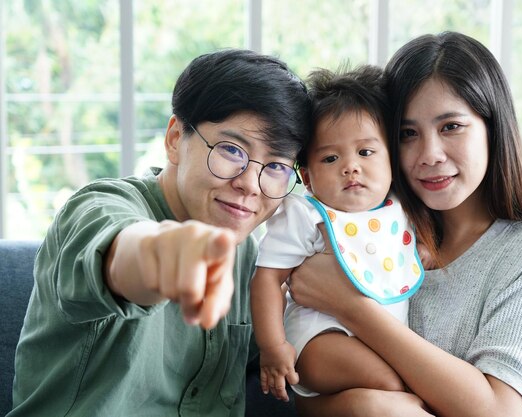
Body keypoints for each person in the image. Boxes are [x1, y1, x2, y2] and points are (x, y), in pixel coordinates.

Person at [288, 31, 522, 417]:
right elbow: (307, 387)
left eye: (451, 126)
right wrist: (366, 403)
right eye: (407, 134)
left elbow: (503, 411)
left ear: (492, 128)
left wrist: (353, 308)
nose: (429, 155)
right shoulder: (367, 233)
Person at [9, 49, 311, 417]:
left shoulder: (252, 258)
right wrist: (168, 255)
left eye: (277, 166)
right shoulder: (99, 208)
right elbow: (122, 253)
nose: (250, 184)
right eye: (232, 150)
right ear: (174, 139)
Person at [250, 65, 426, 402]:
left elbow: (409, 248)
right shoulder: (306, 214)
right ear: (308, 176)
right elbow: (267, 279)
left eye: (365, 152)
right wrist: (273, 346)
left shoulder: (399, 208)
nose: (351, 166)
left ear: (391, 158)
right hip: (318, 339)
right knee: (391, 384)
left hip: (377, 337)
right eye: (330, 158)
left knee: (398, 383)